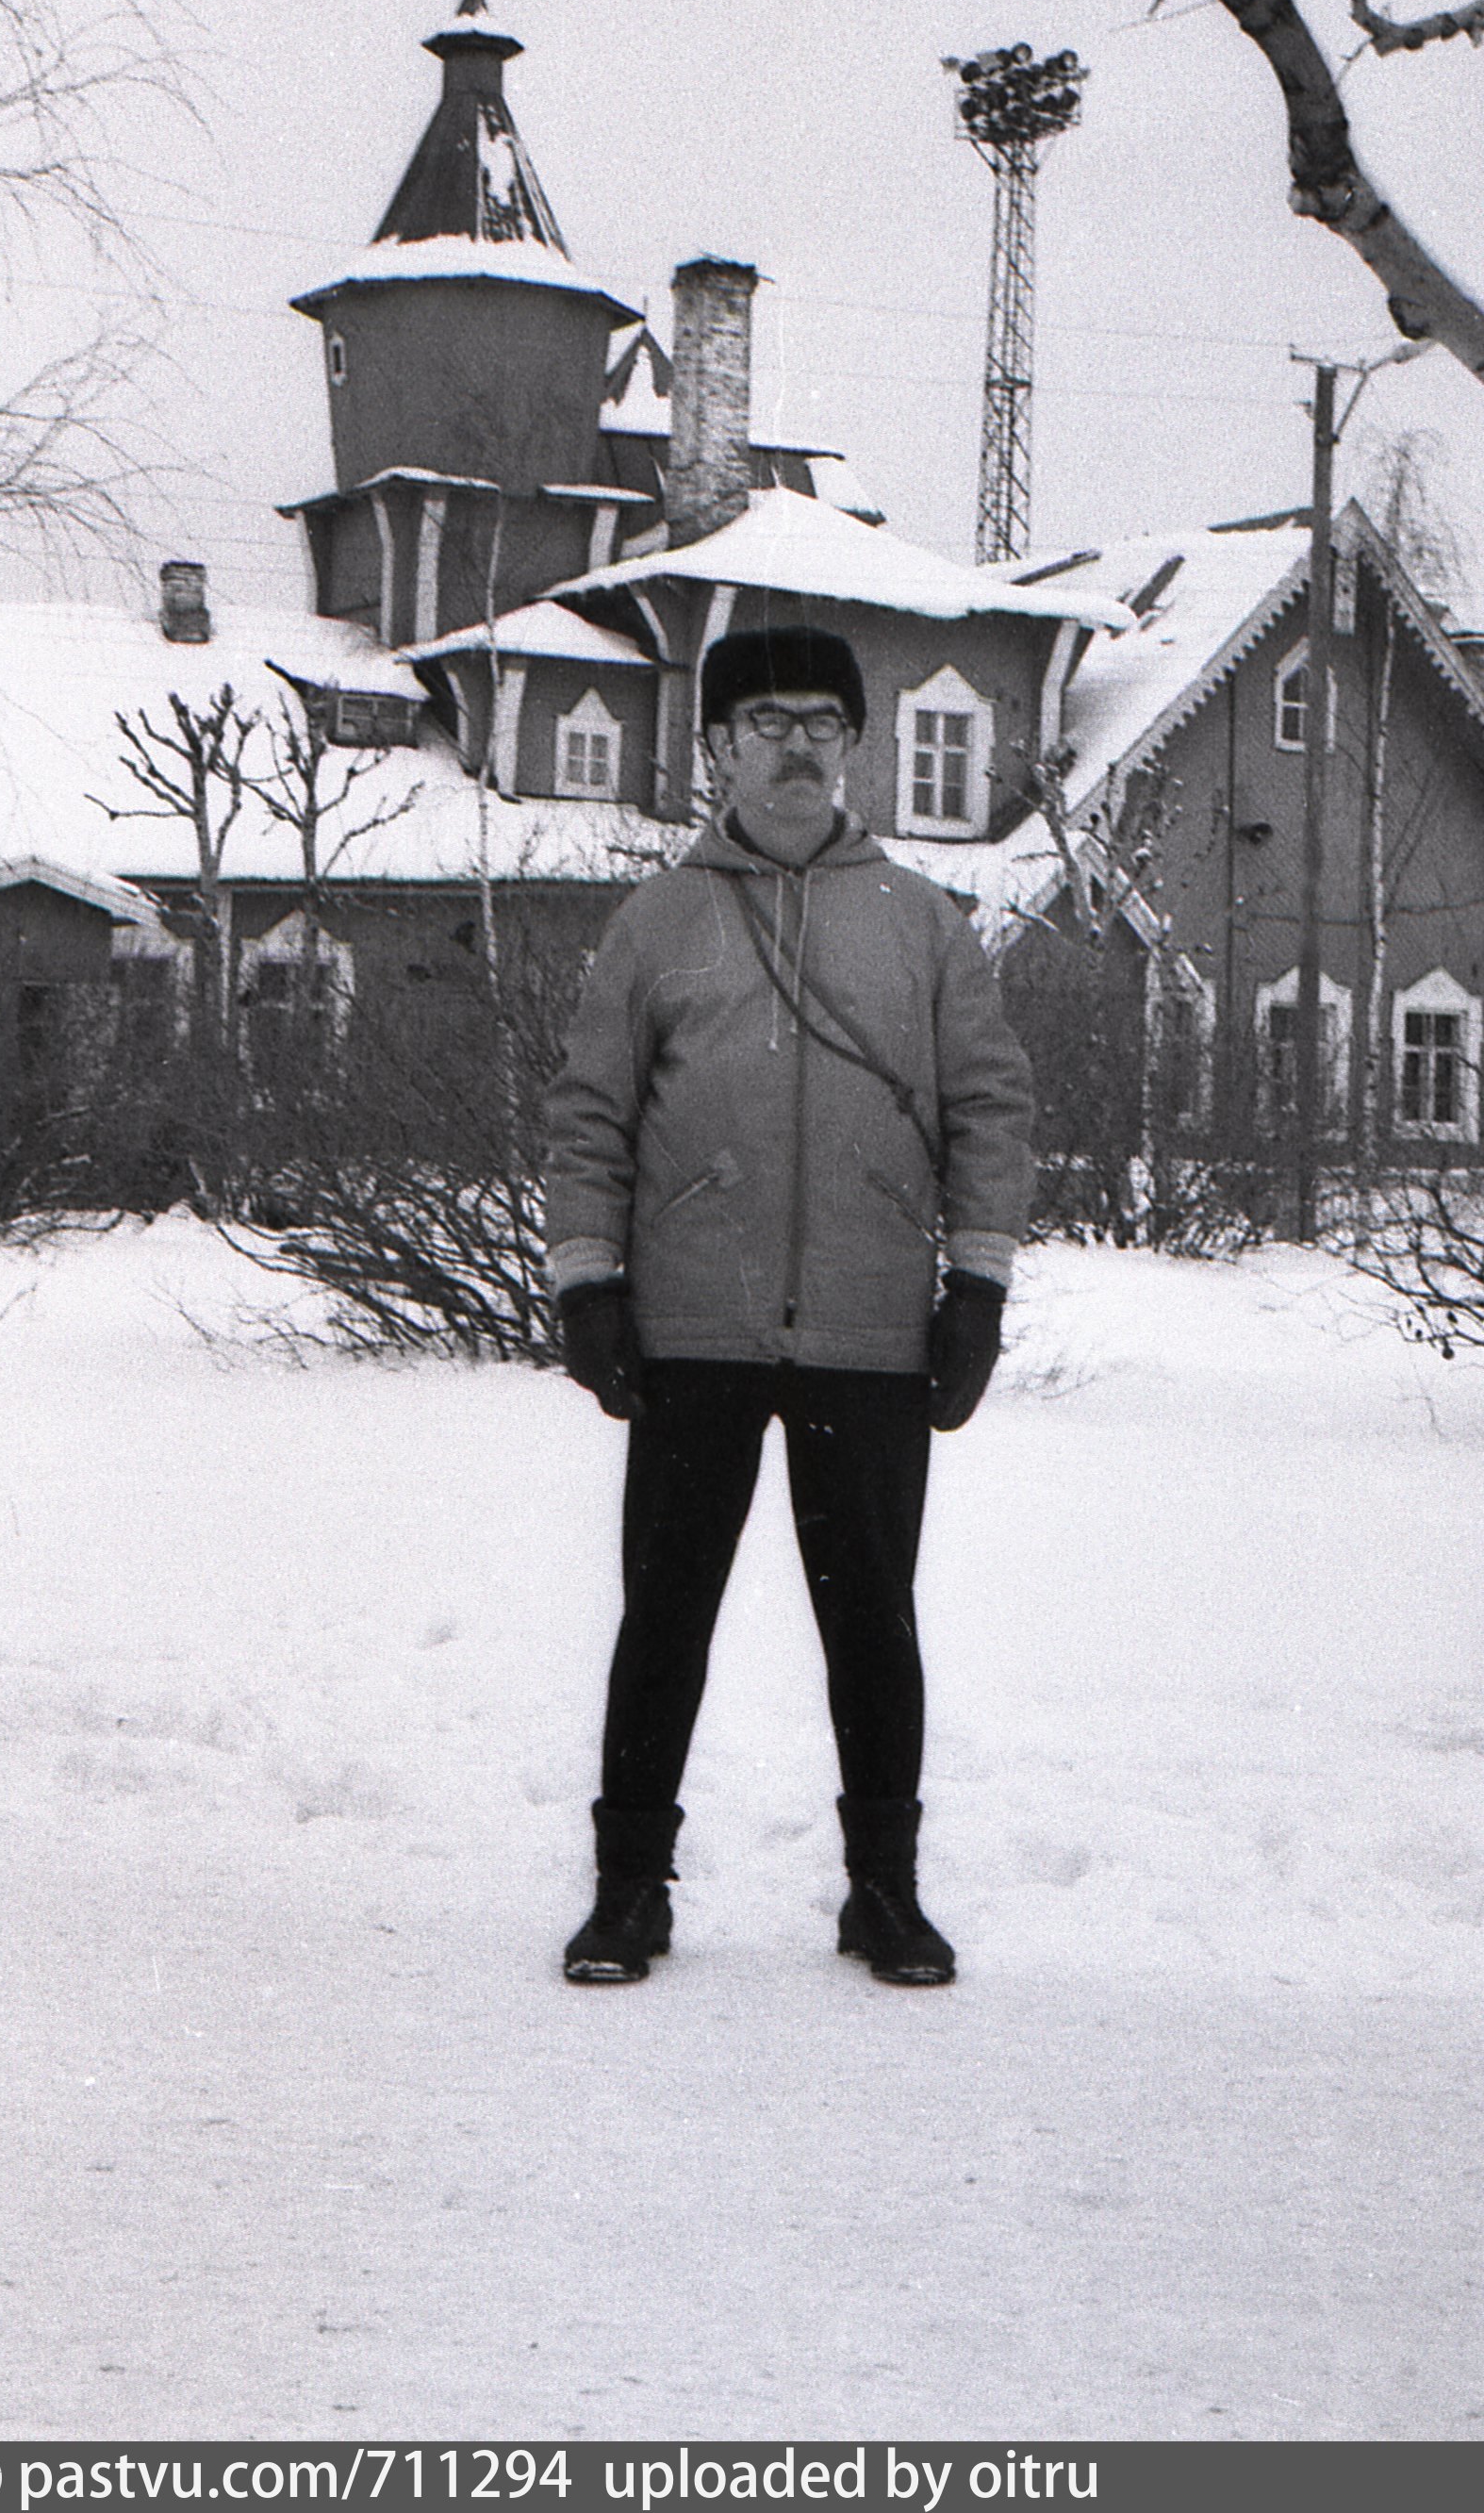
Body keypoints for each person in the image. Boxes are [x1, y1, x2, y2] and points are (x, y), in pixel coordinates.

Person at [543, 622, 1033, 1988]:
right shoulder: (656, 922)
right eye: (767, 721)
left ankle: (885, 1893)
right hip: (691, 1326)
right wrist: (589, 1284)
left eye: (824, 719)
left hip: (870, 1327)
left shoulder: (923, 925)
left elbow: (991, 1109)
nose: (799, 744)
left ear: (856, 743)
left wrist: (977, 1287)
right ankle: (628, 1893)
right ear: (716, 747)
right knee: (665, 1617)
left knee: (874, 1623)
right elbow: (589, 1114)